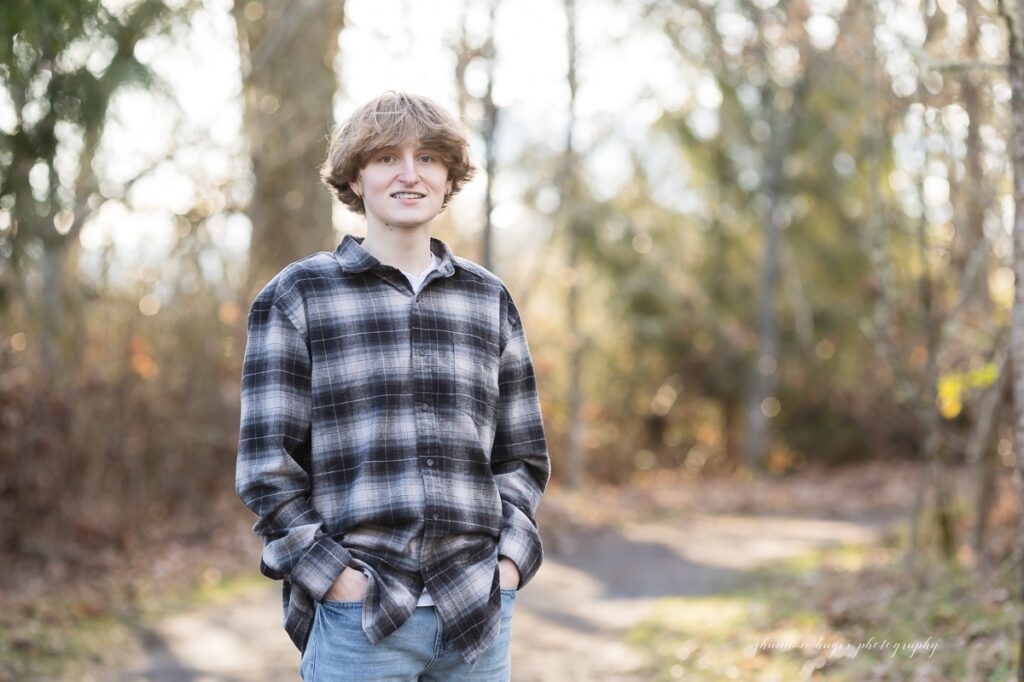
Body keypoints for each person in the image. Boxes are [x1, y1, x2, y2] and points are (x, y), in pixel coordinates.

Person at [235, 91, 551, 681]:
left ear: (448, 177)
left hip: (476, 614)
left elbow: (522, 458)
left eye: (427, 158)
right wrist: (334, 577)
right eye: (386, 158)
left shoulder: (488, 299)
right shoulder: (299, 296)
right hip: (359, 619)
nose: (410, 174)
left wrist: (508, 564)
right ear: (356, 177)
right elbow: (266, 469)